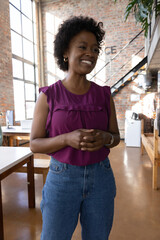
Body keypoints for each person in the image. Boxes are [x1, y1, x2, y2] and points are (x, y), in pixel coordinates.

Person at [30, 15, 120, 240]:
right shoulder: (48, 96)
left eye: (95, 49)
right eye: (83, 47)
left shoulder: (104, 95)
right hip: (62, 178)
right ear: (65, 53)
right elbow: (34, 143)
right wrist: (66, 139)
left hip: (101, 177)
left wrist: (105, 139)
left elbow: (116, 137)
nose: (91, 53)